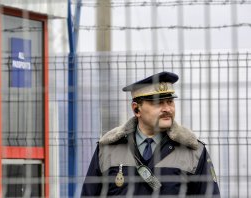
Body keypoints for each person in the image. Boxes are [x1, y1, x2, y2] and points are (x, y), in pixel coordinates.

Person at [81, 71, 220, 197]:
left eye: (170, 101)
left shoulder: (193, 152)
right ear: (136, 109)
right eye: (158, 102)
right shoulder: (107, 149)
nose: (167, 109)